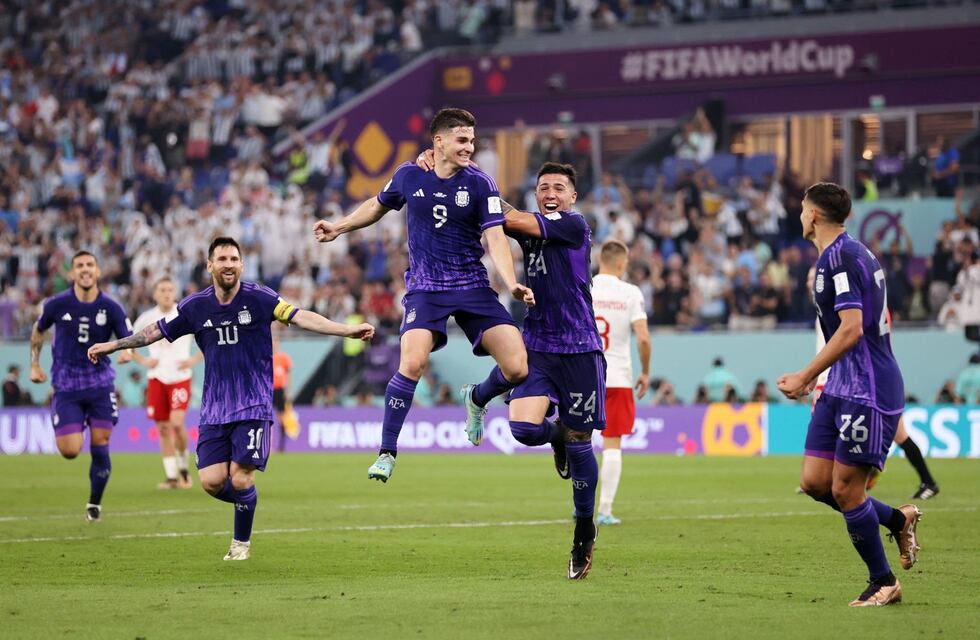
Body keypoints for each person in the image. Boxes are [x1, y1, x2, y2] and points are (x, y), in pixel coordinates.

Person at [87, 237, 374, 561]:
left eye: (234, 259)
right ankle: (247, 501)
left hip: (253, 403)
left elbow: (301, 316)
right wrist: (115, 345)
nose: (228, 264)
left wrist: (344, 330)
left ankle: (240, 543)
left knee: (239, 476)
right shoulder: (195, 307)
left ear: (241, 265)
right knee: (211, 482)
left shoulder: (261, 298)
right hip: (214, 408)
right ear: (210, 265)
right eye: (222, 258)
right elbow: (154, 331)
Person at [313, 108, 534, 483]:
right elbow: (376, 206)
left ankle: (477, 398)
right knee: (411, 363)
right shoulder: (408, 174)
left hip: (472, 286)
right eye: (462, 140)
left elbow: (495, 236)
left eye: (472, 140)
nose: (470, 147)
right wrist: (339, 226)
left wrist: (510, 281)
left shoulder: (482, 183)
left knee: (517, 368)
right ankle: (386, 452)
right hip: (426, 289)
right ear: (439, 141)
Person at [777, 183, 922, 607]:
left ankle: (884, 582)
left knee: (846, 490)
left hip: (867, 388)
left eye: (803, 209)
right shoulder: (846, 253)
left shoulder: (839, 259)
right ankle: (897, 520)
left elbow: (852, 328)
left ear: (815, 216)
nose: (800, 215)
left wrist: (805, 374)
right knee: (815, 482)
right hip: (841, 385)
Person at [492, 162, 606, 580]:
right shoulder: (530, 224)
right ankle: (554, 436)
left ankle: (583, 531)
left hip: (578, 347)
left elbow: (503, 215)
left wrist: (463, 176)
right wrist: (469, 179)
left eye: (559, 186)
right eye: (543, 187)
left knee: (582, 442)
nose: (551, 192)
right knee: (523, 429)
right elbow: (499, 214)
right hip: (538, 344)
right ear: (536, 195)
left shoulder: (574, 224)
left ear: (573, 196)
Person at [807, 266, 940, 500]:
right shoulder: (835, 307)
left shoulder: (848, 309)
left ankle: (923, 481)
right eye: (810, 278)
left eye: (813, 277)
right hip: (867, 380)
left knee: (897, 435)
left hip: (866, 383)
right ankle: (923, 480)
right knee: (897, 435)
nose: (811, 282)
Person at [29, 250, 133, 522]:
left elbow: (128, 338)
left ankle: (94, 505)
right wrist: (34, 364)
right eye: (79, 266)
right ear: (72, 273)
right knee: (70, 450)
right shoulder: (56, 304)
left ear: (98, 271)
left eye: (90, 265)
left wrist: (126, 352)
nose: (85, 269)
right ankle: (78, 423)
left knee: (101, 443)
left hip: (100, 384)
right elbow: (39, 330)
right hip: (66, 385)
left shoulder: (112, 307)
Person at [591, 240, 651, 526]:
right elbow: (643, 337)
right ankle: (604, 510)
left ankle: (581, 506)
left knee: (577, 439)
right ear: (619, 263)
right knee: (612, 443)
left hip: (584, 375)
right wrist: (646, 371)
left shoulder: (584, 287)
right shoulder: (629, 292)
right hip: (616, 378)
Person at [132, 277, 202, 490]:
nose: (166, 293)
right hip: (157, 377)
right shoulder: (147, 318)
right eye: (162, 289)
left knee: (177, 422)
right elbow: (130, 343)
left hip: (180, 377)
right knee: (163, 428)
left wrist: (193, 360)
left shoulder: (185, 313)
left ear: (175, 292)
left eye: (170, 289)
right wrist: (143, 361)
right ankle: (172, 477)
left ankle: (183, 468)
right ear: (155, 294)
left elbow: (208, 339)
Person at [272, 332, 296, 452]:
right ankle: (267, 445)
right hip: (268, 390)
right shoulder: (266, 357)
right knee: (265, 417)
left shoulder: (283, 358)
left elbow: (289, 375)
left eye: (276, 342)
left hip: (279, 390)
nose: (274, 345)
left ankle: (281, 445)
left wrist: (288, 390)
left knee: (281, 417)